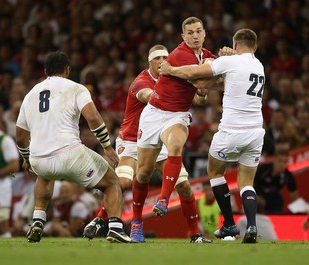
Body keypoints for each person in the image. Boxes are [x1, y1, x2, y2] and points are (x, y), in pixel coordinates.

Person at [83, 44, 211, 243]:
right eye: (156, 59)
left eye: (164, 58)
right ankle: (105, 218)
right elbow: (147, 95)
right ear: (149, 62)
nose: (161, 62)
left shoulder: (173, 77)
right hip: (132, 140)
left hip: (159, 136)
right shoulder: (141, 82)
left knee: (184, 186)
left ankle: (195, 234)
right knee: (124, 181)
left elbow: (199, 100)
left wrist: (201, 91)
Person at [159, 28, 265, 243]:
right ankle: (252, 226)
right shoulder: (259, 66)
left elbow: (193, 75)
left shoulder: (232, 62)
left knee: (215, 173)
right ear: (255, 46)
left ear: (236, 45)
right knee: (246, 182)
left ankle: (229, 224)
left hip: (231, 131)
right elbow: (221, 84)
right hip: (255, 132)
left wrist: (170, 69)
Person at [15, 51, 131, 243]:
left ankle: (37, 220)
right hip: (70, 154)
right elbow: (93, 117)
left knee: (45, 175)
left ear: (45, 71)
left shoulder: (30, 94)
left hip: (39, 158)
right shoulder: (76, 88)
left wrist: (27, 158)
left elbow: (20, 136)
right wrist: (106, 146)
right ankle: (116, 228)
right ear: (67, 70)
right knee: (112, 183)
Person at [130, 17, 219, 241]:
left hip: (177, 115)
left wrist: (226, 58)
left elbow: (207, 83)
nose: (195, 36)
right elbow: (200, 82)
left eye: (198, 31)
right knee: (143, 173)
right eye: (190, 33)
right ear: (183, 37)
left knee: (177, 145)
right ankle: (137, 222)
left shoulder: (205, 55)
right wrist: (212, 76)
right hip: (153, 115)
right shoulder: (181, 54)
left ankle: (164, 201)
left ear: (205, 33)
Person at [253, 149, 299, 213]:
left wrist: (297, 210)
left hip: (274, 198)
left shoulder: (288, 175)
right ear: (274, 160)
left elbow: (294, 196)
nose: (282, 165)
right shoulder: (263, 169)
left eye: (285, 162)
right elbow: (250, 184)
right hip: (259, 197)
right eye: (279, 161)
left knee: (279, 200)